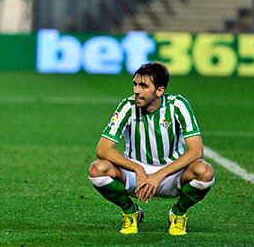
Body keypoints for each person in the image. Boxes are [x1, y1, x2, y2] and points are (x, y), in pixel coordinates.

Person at [88, 62, 214, 235]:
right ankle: (130, 211)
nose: (136, 90)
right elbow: (103, 149)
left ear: (159, 91)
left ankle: (178, 213)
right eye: (135, 84)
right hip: (133, 175)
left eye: (144, 86)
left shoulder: (178, 105)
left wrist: (159, 175)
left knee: (204, 172)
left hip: (170, 174)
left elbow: (196, 151)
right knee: (97, 170)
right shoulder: (127, 106)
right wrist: (137, 168)